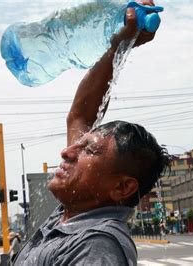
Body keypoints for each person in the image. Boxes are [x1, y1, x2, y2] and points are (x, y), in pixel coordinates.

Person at [14, 1, 170, 265]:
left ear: (121, 187)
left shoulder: (95, 246)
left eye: (89, 149)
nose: (67, 151)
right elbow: (81, 115)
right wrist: (120, 45)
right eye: (81, 144)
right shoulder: (72, 215)